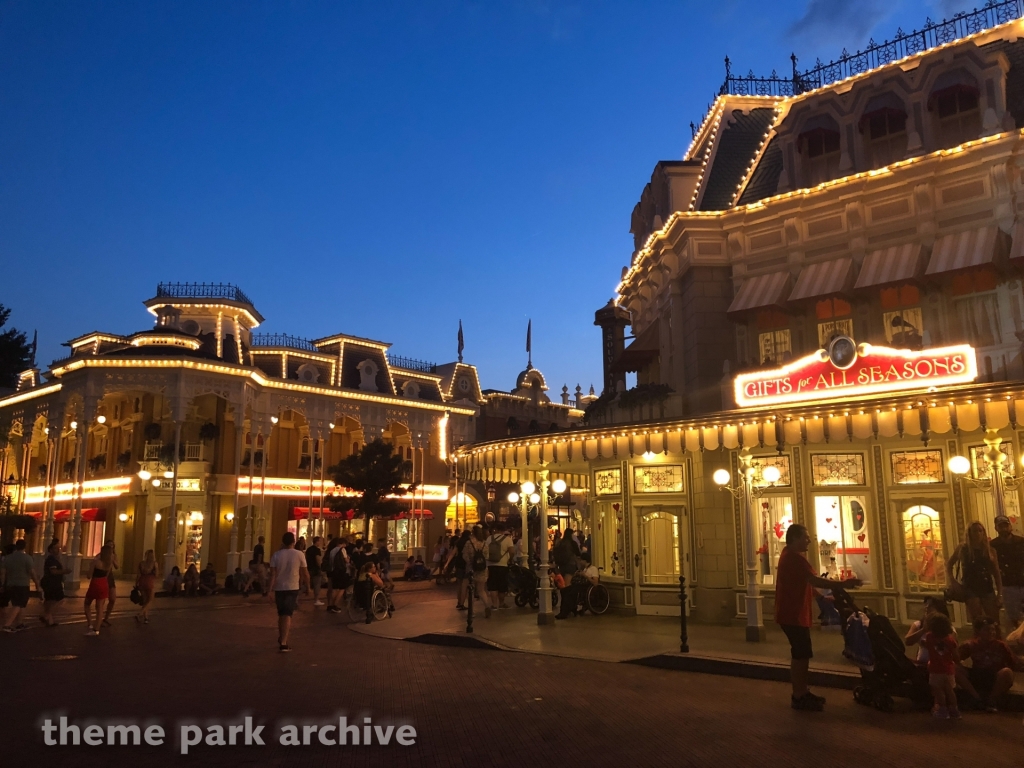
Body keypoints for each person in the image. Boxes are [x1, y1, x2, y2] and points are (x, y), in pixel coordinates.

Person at [775, 524, 861, 711]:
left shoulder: (789, 556)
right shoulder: (795, 558)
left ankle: (801, 691)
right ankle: (798, 695)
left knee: (801, 653)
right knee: (801, 654)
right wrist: (842, 584)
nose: (809, 540)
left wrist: (822, 597)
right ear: (796, 538)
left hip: (792, 613)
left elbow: (804, 583)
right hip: (793, 615)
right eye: (806, 537)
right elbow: (814, 580)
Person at [904, 597, 981, 704]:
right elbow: (908, 641)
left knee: (952, 673)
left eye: (930, 606)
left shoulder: (947, 629)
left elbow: (951, 648)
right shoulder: (918, 625)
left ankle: (976, 697)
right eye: (926, 605)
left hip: (942, 664)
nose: (927, 608)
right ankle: (940, 706)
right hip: (924, 664)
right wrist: (923, 630)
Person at [958, 616, 1023, 712]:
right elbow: (955, 658)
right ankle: (976, 698)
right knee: (954, 668)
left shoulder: (1001, 645)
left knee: (1007, 672)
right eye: (987, 630)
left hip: (994, 676)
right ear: (978, 631)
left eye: (993, 629)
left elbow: (1014, 663)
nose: (991, 632)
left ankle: (991, 700)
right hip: (977, 674)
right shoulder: (971, 644)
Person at [947, 521, 1002, 623]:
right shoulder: (963, 549)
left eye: (980, 531)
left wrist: (999, 593)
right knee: (977, 620)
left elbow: (996, 573)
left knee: (994, 619)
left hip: (986, 586)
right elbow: (949, 564)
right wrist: (953, 582)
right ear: (969, 533)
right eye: (975, 531)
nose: (978, 534)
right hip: (970, 587)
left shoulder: (989, 550)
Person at [268, 531, 309, 652]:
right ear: (293, 541)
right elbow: (305, 573)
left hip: (279, 587)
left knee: (282, 613)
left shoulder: (276, 555)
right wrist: (308, 586)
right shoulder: (299, 554)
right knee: (287, 614)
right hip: (292, 587)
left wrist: (269, 590)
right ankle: (284, 642)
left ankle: (282, 637)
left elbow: (273, 574)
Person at [921, 611, 961, 719]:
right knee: (949, 690)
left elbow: (924, 643)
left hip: (935, 669)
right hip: (948, 669)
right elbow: (956, 655)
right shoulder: (951, 640)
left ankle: (942, 710)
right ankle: (954, 709)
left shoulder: (929, 637)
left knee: (938, 690)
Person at [990, 514, 1024, 629]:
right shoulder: (993, 546)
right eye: (1001, 526)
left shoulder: (1021, 542)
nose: (1004, 529)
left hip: (1022, 581)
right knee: (1014, 618)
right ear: (996, 528)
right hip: (1008, 585)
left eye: (1006, 525)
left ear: (1010, 526)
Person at [1, 540, 41, 632]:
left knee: (20, 604)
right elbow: (32, 572)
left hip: (10, 584)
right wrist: (37, 584)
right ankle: (7, 625)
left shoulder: (8, 558)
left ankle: (20, 623)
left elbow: (3, 572)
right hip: (22, 584)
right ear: (24, 547)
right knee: (18, 604)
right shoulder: (27, 558)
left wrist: (3, 584)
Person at [83, 545, 115, 636]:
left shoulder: (96, 562)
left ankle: (90, 623)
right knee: (100, 607)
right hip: (104, 583)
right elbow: (107, 575)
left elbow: (89, 575)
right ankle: (96, 629)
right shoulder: (109, 564)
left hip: (95, 583)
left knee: (87, 603)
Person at [463, 525, 492, 618]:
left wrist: (470, 563)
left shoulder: (469, 543)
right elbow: (487, 556)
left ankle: (471, 611)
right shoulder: (484, 543)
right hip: (482, 569)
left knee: (471, 591)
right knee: (481, 590)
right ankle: (487, 606)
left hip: (471, 569)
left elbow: (465, 556)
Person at [485, 526, 515, 609]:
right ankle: (501, 603)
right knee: (502, 585)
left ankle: (494, 605)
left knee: (492, 585)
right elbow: (512, 552)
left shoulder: (489, 539)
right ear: (503, 531)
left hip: (490, 565)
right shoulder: (507, 539)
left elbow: (485, 550)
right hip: (503, 564)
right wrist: (510, 559)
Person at [554, 528, 581, 619]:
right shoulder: (572, 543)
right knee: (567, 588)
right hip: (570, 566)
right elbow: (578, 553)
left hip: (561, 566)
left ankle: (567, 608)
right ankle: (567, 609)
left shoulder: (560, 542)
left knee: (563, 587)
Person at [40, 540, 65, 627]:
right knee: (59, 599)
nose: (58, 550)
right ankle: (47, 615)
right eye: (55, 548)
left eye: (59, 548)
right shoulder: (51, 559)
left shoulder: (54, 559)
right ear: (50, 550)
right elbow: (53, 571)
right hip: (52, 583)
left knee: (49, 600)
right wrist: (64, 571)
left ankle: (49, 620)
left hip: (50, 582)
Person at [326, 538, 350, 614]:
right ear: (342, 543)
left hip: (333, 571)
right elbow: (346, 561)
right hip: (341, 571)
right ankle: (335, 604)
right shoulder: (342, 550)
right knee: (342, 588)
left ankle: (330, 605)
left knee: (334, 588)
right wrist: (348, 558)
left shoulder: (332, 551)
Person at [136, 550, 159, 623]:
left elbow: (138, 574)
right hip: (149, 581)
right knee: (150, 600)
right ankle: (140, 613)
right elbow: (156, 574)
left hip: (142, 581)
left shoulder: (141, 563)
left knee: (145, 600)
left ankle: (146, 618)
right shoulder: (154, 564)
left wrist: (136, 583)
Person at [101, 540, 119, 627]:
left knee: (112, 598)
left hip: (110, 577)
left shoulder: (114, 555)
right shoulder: (101, 555)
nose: (111, 547)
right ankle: (99, 617)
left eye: (112, 545)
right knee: (102, 599)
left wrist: (112, 559)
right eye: (109, 545)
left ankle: (106, 617)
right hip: (102, 575)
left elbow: (117, 566)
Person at [452, 530, 471, 610]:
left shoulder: (458, 542)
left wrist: (447, 564)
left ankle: (459, 602)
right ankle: (462, 603)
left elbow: (453, 553)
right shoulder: (469, 543)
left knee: (459, 584)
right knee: (465, 585)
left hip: (458, 562)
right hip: (466, 563)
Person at [306, 536, 324, 606]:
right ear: (317, 542)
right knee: (317, 585)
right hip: (316, 569)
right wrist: (320, 567)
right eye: (320, 541)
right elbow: (318, 560)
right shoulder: (317, 550)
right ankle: (316, 599)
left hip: (309, 568)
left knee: (307, 583)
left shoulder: (308, 549)